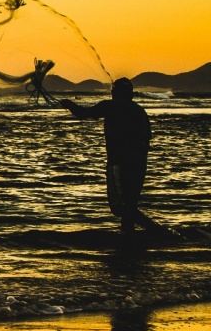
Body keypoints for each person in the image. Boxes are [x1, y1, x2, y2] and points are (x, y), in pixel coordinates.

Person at [60, 78, 157, 233]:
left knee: (121, 208)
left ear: (114, 93)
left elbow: (85, 114)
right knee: (130, 204)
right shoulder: (139, 111)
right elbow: (146, 141)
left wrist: (69, 105)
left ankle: (158, 232)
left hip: (118, 164)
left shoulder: (110, 106)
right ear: (131, 95)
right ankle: (129, 240)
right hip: (139, 165)